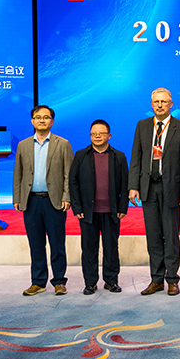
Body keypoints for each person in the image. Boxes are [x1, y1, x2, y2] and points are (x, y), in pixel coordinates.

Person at [128, 88, 180, 296]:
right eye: (156, 102)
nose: (159, 105)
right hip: (148, 188)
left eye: (163, 102)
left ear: (171, 104)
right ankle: (156, 280)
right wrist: (133, 186)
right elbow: (136, 158)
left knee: (171, 236)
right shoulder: (142, 126)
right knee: (154, 236)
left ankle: (172, 279)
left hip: (172, 189)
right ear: (151, 104)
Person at [13, 105, 73, 296]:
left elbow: (69, 174)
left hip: (53, 201)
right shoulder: (23, 145)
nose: (41, 120)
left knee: (57, 244)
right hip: (31, 202)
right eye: (37, 117)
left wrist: (67, 196)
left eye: (46, 117)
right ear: (32, 121)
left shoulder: (62, 144)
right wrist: (18, 197)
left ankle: (59, 281)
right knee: (36, 244)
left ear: (52, 121)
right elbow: (18, 174)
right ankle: (38, 282)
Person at [69, 119, 129, 295]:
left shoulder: (119, 156)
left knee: (111, 248)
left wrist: (122, 208)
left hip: (112, 211)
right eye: (94, 133)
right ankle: (90, 283)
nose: (97, 136)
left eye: (101, 133)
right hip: (88, 212)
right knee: (89, 248)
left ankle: (111, 281)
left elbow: (125, 184)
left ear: (109, 136)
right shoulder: (81, 155)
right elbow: (73, 183)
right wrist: (77, 208)